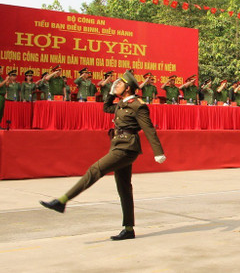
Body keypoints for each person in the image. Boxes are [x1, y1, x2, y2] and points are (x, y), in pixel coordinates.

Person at [40, 70, 166, 241]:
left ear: (128, 88)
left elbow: (149, 129)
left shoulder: (138, 105)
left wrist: (158, 152)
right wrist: (111, 94)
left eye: (119, 84)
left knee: (95, 170)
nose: (116, 85)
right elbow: (106, 108)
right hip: (117, 145)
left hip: (127, 148)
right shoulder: (122, 103)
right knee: (124, 188)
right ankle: (129, 229)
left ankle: (62, 201)